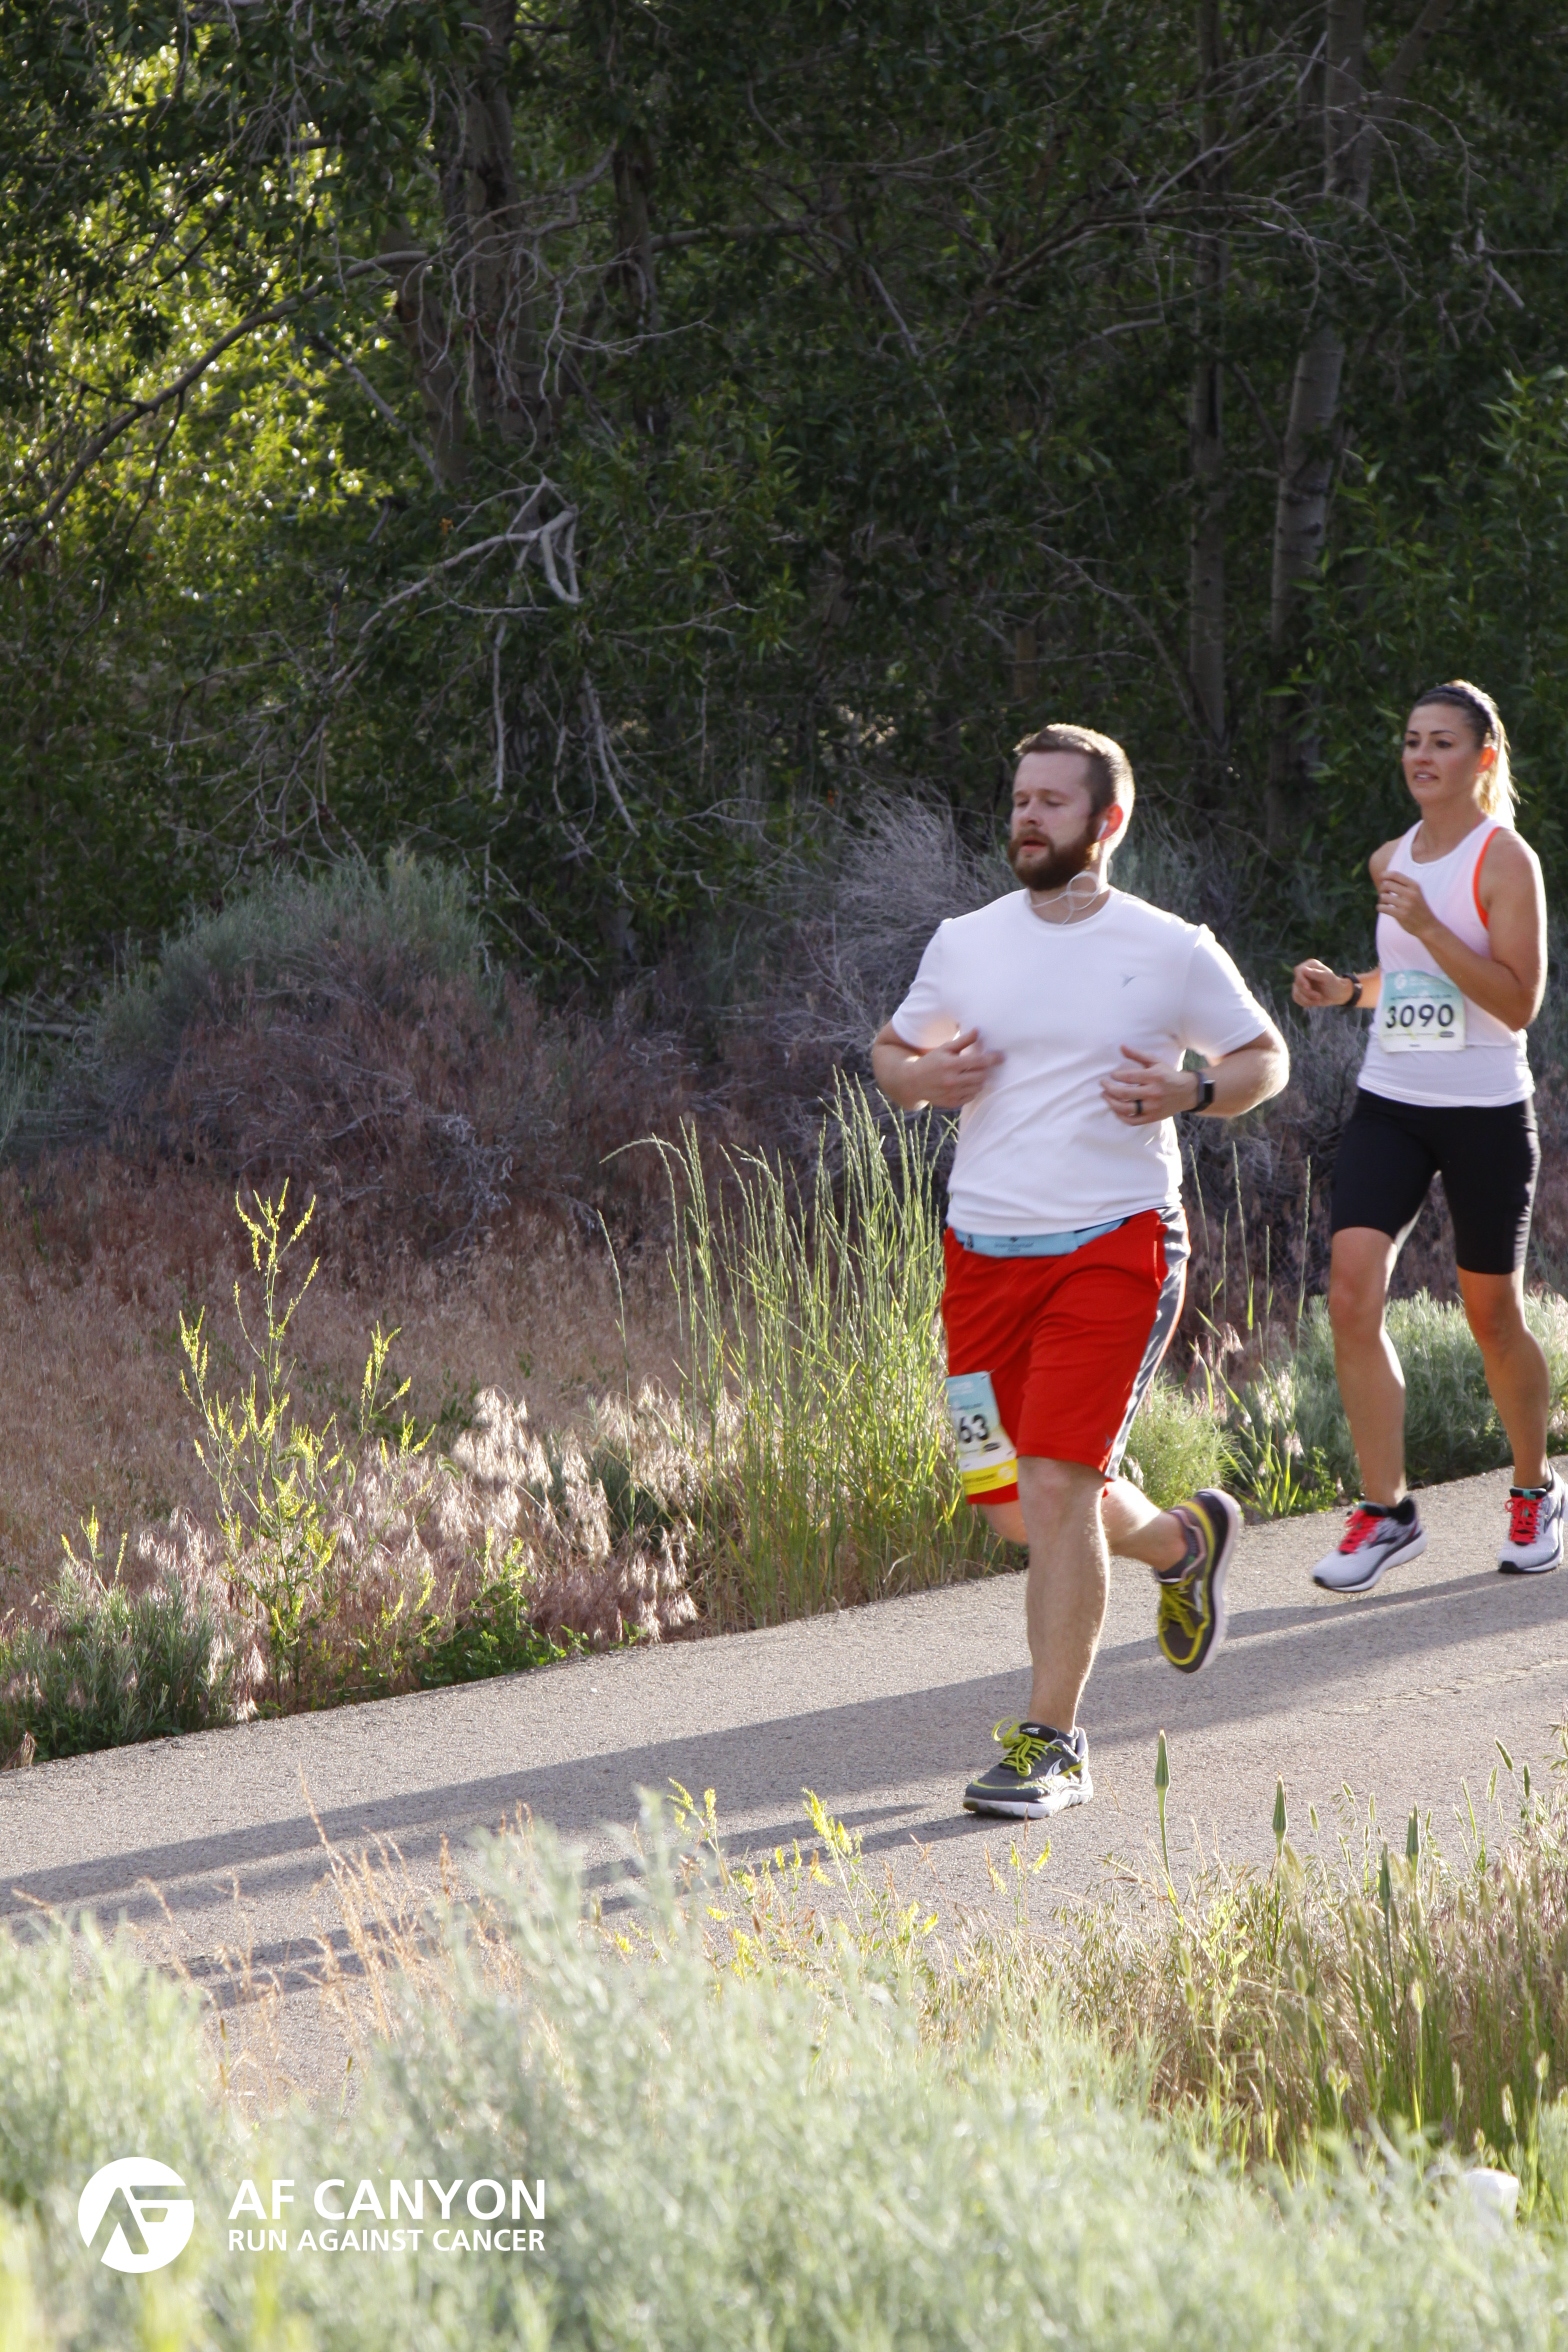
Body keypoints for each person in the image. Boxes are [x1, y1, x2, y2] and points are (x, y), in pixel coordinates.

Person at [872, 725, 1289, 1820]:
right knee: (1010, 1506)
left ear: (1108, 821)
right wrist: (922, 1075)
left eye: (1052, 801)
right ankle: (1181, 1543)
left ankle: (1051, 1743)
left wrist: (1193, 1093)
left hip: (1114, 1244)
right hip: (980, 1257)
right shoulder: (965, 941)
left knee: (1057, 1482)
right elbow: (889, 1055)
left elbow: (1264, 1058)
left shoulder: (1169, 947)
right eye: (1019, 798)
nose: (1027, 816)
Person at [1293, 680, 1557, 1591]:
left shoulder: (1505, 860)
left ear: (1483, 756)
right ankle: (1387, 1510)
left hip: (1486, 1113)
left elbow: (1516, 1000)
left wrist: (1429, 925)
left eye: (1442, 741)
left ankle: (1534, 1490)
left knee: (1493, 1317)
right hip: (1392, 1103)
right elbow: (1408, 978)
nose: (1421, 756)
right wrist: (1348, 990)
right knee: (1350, 1294)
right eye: (1412, 740)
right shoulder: (1390, 859)